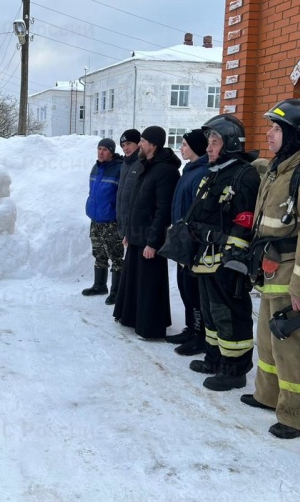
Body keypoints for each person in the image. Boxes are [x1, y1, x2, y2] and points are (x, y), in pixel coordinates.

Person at [240, 100, 300, 439]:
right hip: (271, 271)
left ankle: (298, 416)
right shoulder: (280, 168)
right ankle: (269, 395)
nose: (270, 133)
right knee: (268, 341)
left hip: (295, 275)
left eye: (277, 129)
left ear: (296, 133)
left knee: (294, 346)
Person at [186, 115, 260, 391]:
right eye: (208, 142)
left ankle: (234, 370)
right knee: (211, 311)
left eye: (214, 142)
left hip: (227, 261)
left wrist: (234, 259)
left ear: (229, 144)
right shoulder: (213, 173)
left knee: (230, 313)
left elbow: (245, 220)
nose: (208, 148)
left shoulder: (244, 175)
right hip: (205, 257)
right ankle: (215, 357)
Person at [113, 126, 180, 339]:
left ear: (153, 145)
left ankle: (150, 326)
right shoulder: (146, 165)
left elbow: (162, 211)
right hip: (136, 235)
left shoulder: (166, 171)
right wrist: (128, 233)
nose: (139, 144)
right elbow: (135, 202)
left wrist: (153, 242)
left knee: (149, 285)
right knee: (134, 282)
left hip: (149, 238)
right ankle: (132, 319)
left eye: (142, 141)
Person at [166, 129, 209, 355]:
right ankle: (190, 328)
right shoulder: (189, 170)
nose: (181, 148)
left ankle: (200, 334)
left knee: (193, 290)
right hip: (181, 239)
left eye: (184, 144)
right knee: (183, 287)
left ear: (195, 148)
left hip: (192, 241)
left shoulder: (202, 173)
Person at [82, 138, 124, 303]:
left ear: (112, 152)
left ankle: (116, 291)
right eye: (99, 149)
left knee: (116, 257)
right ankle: (100, 285)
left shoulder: (119, 169)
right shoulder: (96, 167)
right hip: (96, 219)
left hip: (111, 221)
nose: (101, 152)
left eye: (105, 149)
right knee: (99, 253)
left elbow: (121, 197)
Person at [116, 128, 142, 240]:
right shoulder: (125, 164)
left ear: (138, 143)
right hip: (124, 222)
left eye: (129, 144)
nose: (125, 148)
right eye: (123, 145)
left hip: (137, 225)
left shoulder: (142, 163)